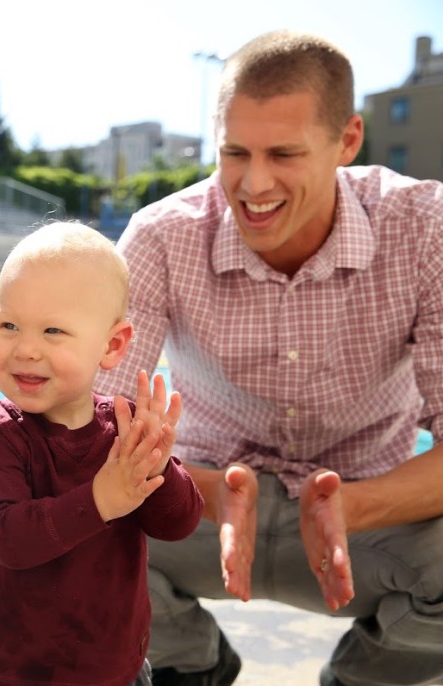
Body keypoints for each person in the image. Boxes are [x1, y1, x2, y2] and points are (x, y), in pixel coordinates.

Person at [93, 29, 443, 686]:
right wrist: (207, 495)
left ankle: (363, 678)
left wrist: (352, 506)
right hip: (197, 506)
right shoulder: (162, 236)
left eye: (284, 153)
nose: (253, 185)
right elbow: (95, 423)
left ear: (348, 141)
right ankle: (191, 664)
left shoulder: (424, 227)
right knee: (71, 524)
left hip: (368, 516)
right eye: (234, 152)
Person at [0, 221, 204, 686]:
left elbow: (179, 524)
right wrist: (101, 501)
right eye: (8, 325)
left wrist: (159, 469)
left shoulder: (125, 430)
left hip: (117, 670)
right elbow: (8, 540)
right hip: (14, 673)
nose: (26, 348)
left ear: (112, 346)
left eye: (53, 331)